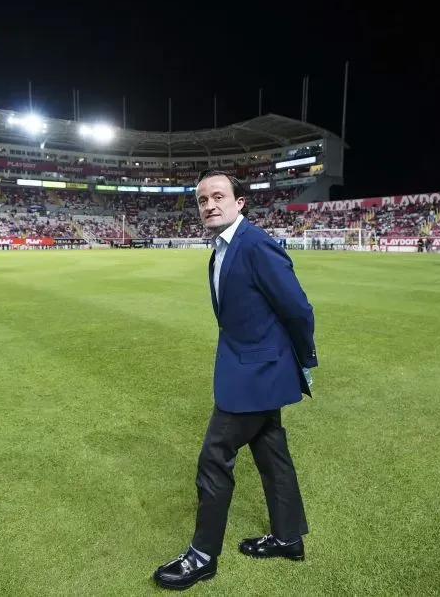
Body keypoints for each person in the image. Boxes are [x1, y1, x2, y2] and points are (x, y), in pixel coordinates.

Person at [152, 169, 317, 591]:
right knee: (272, 454)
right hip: (252, 370)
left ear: (239, 202)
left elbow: (298, 308)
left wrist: (299, 359)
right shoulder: (222, 247)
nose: (209, 204)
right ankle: (288, 538)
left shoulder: (256, 244)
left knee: (214, 458)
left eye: (218, 196)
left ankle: (203, 556)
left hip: (255, 375)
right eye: (202, 199)